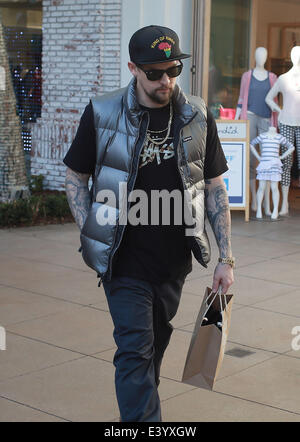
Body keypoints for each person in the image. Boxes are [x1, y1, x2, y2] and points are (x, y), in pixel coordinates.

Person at [63, 25, 234, 422]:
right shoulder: (103, 113)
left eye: (172, 70)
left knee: (151, 351)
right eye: (154, 72)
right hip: (123, 262)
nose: (165, 81)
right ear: (133, 69)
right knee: (135, 350)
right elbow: (75, 177)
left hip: (173, 264)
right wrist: (91, 231)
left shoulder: (197, 115)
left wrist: (227, 257)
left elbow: (214, 188)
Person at [235, 47, 278, 213]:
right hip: (250, 117)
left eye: (264, 55)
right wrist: (236, 119)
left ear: (266, 57)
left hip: (267, 119)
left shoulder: (273, 77)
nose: (261, 57)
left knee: (268, 160)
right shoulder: (247, 76)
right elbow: (240, 99)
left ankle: (266, 203)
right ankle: (253, 199)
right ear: (254, 56)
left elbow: (274, 100)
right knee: (251, 159)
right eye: (258, 55)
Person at [265, 46, 300, 214]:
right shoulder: (283, 78)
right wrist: (279, 110)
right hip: (286, 122)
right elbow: (268, 97)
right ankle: (284, 203)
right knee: (286, 163)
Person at [250, 126, 294, 220]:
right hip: (264, 165)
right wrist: (258, 157)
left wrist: (282, 157)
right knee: (261, 187)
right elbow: (251, 144)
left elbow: (291, 147)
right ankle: (259, 210)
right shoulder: (263, 136)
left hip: (274, 165)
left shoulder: (279, 137)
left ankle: (275, 210)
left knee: (274, 188)